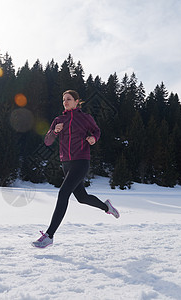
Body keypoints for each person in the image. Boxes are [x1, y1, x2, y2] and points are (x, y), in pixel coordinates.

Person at [32, 90, 119, 248]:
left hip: (81, 161)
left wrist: (93, 138)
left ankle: (49, 235)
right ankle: (107, 207)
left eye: (69, 99)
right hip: (66, 163)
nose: (65, 102)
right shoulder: (59, 120)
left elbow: (97, 131)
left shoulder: (85, 118)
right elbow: (48, 141)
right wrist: (54, 131)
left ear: (77, 101)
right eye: (63, 99)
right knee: (82, 198)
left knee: (63, 193)